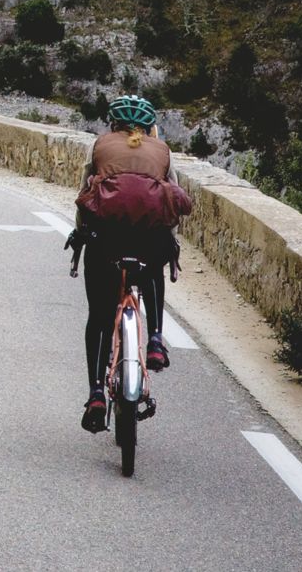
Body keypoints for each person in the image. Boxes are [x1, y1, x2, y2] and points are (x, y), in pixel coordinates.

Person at [66, 94, 187, 434]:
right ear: (150, 127)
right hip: (148, 242)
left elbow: (84, 196)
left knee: (100, 318)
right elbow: (174, 204)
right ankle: (157, 339)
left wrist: (80, 235)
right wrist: (169, 241)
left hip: (106, 242)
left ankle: (95, 394)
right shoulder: (162, 152)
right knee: (156, 258)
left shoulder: (100, 146)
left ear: (113, 125)